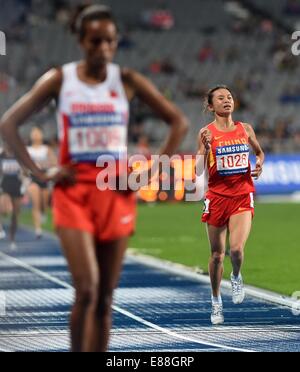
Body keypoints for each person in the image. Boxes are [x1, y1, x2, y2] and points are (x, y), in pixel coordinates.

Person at [0, 4, 188, 352]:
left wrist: (153, 169)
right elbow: (9, 123)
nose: (103, 48)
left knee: (104, 297)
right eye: (95, 41)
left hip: (116, 190)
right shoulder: (61, 79)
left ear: (116, 43)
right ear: (81, 40)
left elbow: (178, 121)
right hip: (74, 191)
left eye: (109, 42)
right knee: (86, 289)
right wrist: (40, 172)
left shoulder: (127, 80)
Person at [196, 85, 264, 325]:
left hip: (242, 195)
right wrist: (204, 148)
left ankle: (236, 276)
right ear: (211, 106)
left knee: (236, 250)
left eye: (230, 97)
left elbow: (259, 152)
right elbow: (197, 170)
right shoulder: (206, 132)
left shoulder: (245, 129)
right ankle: (216, 302)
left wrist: (259, 163)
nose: (227, 101)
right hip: (216, 197)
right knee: (216, 255)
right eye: (221, 98)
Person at [27, 127, 57, 238]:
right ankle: (38, 229)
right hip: (33, 178)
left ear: (41, 135)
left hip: (45, 178)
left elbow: (54, 162)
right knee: (36, 203)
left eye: (37, 133)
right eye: (33, 133)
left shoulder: (46, 149)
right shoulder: (27, 150)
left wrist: (46, 165)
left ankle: (43, 212)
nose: (35, 135)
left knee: (44, 203)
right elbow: (23, 165)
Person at [0, 144, 25, 250]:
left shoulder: (18, 155)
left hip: (17, 185)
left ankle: (12, 238)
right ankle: (0, 229)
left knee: (15, 213)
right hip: (4, 184)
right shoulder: (1, 155)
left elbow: (25, 171)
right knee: (2, 209)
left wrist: (24, 182)